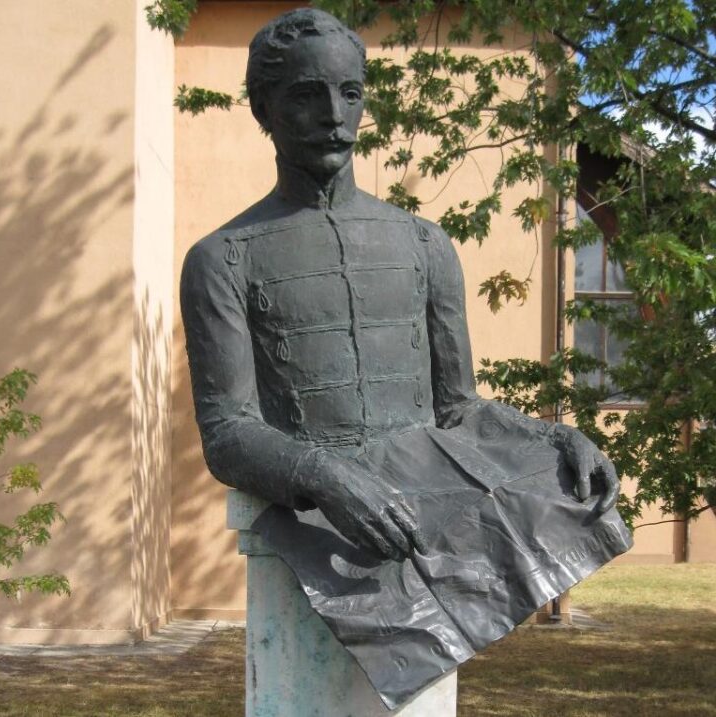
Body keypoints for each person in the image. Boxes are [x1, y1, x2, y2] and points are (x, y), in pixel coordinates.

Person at [181, 8, 632, 708]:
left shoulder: (425, 245)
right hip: (311, 535)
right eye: (307, 95)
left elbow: (458, 407)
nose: (334, 116)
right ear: (263, 108)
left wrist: (552, 438)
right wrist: (325, 477)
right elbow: (228, 431)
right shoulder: (220, 260)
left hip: (425, 510)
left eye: (350, 94)